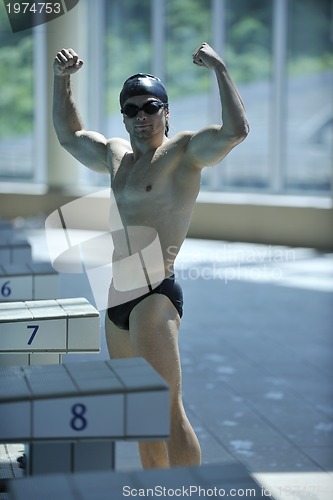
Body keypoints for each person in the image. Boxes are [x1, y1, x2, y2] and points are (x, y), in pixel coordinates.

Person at [53, 42, 249, 469]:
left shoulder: (183, 152)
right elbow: (69, 136)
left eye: (150, 106)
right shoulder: (116, 157)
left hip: (155, 296)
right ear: (123, 116)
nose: (141, 116)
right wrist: (61, 80)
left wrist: (220, 69)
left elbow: (236, 131)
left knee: (167, 412)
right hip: (117, 300)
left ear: (166, 112)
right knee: (141, 418)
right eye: (131, 109)